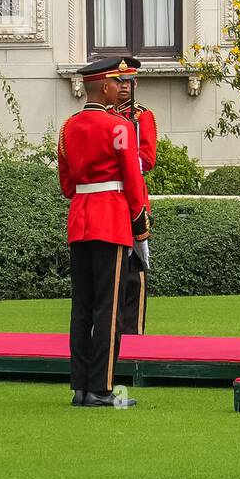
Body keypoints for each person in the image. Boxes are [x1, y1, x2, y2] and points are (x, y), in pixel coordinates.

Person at [58, 57, 150, 407]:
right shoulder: (119, 126)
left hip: (79, 219)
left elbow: (67, 184)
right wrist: (140, 227)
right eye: (116, 82)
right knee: (108, 309)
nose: (119, 87)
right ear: (105, 87)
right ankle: (102, 388)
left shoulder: (69, 127)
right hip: (110, 221)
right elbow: (132, 179)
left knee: (81, 307)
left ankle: (80, 388)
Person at [108, 62, 157, 335]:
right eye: (119, 81)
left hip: (133, 195)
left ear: (135, 85)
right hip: (109, 197)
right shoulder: (105, 114)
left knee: (135, 268)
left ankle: (133, 329)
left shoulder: (142, 116)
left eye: (128, 82)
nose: (124, 86)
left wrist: (123, 163)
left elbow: (148, 158)